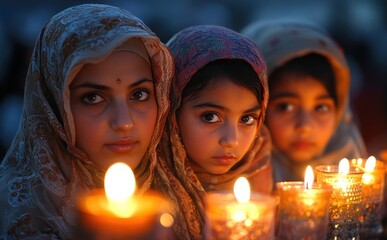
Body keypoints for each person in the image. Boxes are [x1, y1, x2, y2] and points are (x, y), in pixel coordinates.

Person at [0, 4, 175, 239]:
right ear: (53, 105)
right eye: (93, 98)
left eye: (139, 95)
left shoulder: (180, 194)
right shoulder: (25, 216)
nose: (123, 122)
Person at [241, 20, 367, 181]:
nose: (305, 126)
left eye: (321, 108)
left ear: (340, 110)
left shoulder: (352, 164)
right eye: (285, 107)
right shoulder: (231, 180)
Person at [162, 25, 273, 197]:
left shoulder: (263, 173)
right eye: (210, 117)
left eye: (247, 119)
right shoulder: (147, 189)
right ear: (171, 110)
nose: (231, 140)